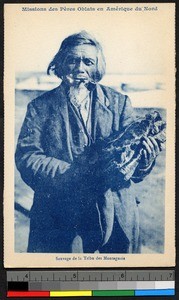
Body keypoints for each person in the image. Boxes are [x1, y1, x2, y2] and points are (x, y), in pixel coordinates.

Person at [15, 31, 161, 253]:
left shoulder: (119, 103)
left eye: (87, 61)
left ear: (97, 68)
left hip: (117, 212)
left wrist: (144, 160)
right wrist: (72, 173)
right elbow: (27, 157)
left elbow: (135, 169)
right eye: (72, 60)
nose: (79, 68)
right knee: (62, 281)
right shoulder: (39, 107)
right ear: (60, 65)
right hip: (59, 213)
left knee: (121, 281)